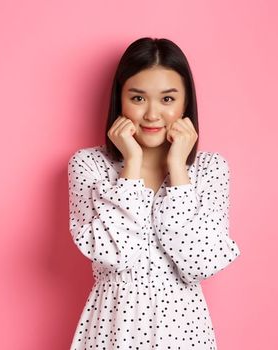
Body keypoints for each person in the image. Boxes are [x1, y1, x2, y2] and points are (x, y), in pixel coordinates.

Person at [66, 37, 242, 349]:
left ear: (186, 103)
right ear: (119, 100)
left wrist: (178, 170)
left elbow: (200, 263)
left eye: (167, 99)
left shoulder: (210, 169)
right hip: (113, 330)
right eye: (137, 98)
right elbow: (112, 255)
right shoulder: (89, 166)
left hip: (185, 335)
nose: (151, 115)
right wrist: (131, 166)